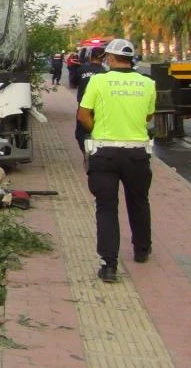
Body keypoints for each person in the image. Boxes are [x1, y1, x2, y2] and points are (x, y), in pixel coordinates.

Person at [77, 39, 156, 283]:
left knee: (107, 207)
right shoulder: (148, 83)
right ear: (131, 59)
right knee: (139, 201)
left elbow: (83, 115)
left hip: (105, 153)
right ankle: (141, 251)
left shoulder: (98, 81)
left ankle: (109, 265)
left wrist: (99, 128)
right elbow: (148, 116)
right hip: (136, 154)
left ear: (110, 58)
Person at [74, 47, 106, 152]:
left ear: (90, 56)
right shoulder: (105, 73)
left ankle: (86, 154)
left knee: (80, 134)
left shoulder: (81, 70)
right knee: (100, 132)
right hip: (100, 109)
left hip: (83, 108)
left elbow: (73, 83)